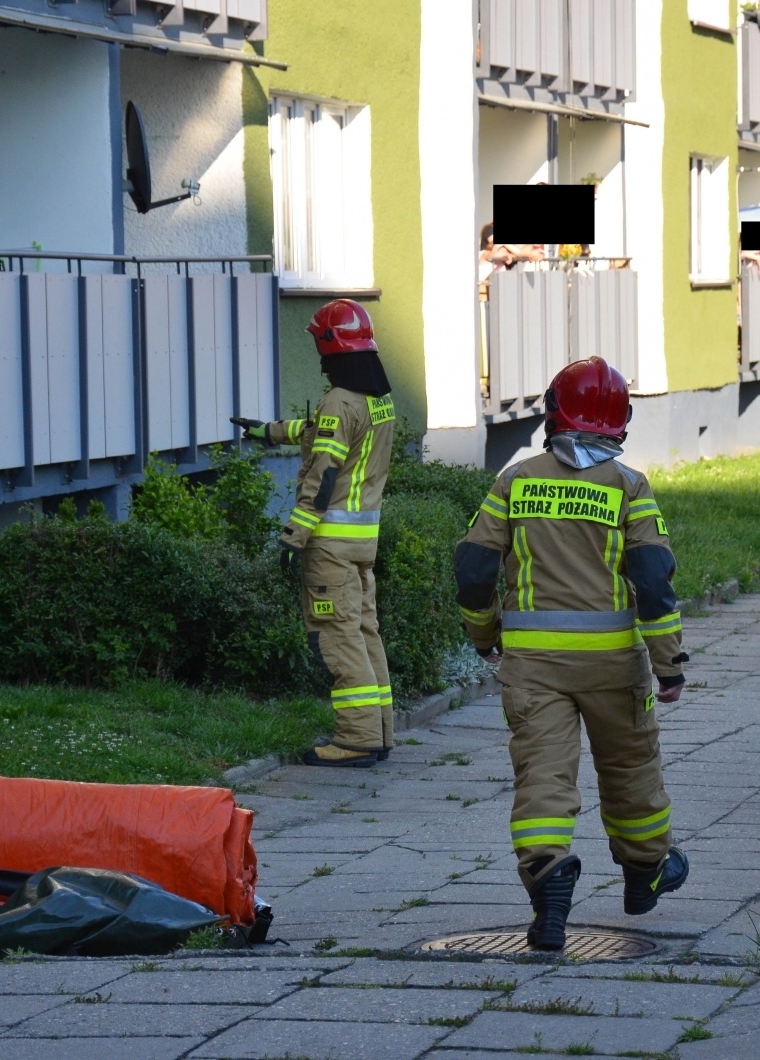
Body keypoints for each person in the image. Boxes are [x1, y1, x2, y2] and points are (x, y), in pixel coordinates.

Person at [452, 356, 690, 950]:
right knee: (630, 768)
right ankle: (645, 871)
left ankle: (549, 879)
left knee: (543, 777)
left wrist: (484, 636)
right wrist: (669, 664)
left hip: (533, 668)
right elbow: (653, 581)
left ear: (553, 412)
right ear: (621, 422)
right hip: (613, 666)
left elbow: (474, 568)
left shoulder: (515, 481)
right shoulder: (629, 487)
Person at [231, 299, 397, 768]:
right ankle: (379, 731)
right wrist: (270, 432)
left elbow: (323, 474)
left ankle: (357, 739)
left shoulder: (339, 401)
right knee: (363, 633)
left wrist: (293, 537)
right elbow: (321, 430)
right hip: (361, 543)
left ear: (330, 345)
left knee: (337, 638)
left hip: (329, 546)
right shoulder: (376, 399)